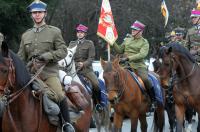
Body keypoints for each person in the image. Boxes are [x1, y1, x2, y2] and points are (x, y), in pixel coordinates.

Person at [17, 0, 72, 131]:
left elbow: (63, 51)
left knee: (59, 95)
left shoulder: (54, 32)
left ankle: (66, 124)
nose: (37, 15)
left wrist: (47, 56)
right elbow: (20, 57)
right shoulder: (26, 35)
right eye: (34, 13)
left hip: (49, 73)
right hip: (30, 74)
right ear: (31, 15)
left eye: (40, 12)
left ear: (45, 14)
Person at [112, 20, 155, 102]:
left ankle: (152, 99)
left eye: (135, 29)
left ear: (141, 31)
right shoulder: (127, 40)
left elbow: (142, 54)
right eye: (132, 29)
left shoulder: (144, 42)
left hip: (138, 66)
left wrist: (128, 58)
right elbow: (119, 50)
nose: (132, 30)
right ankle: (114, 100)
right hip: (124, 65)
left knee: (145, 79)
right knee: (112, 77)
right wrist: (112, 42)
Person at [68, 24, 103, 111]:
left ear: (85, 34)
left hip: (86, 70)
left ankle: (97, 103)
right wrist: (76, 64)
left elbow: (91, 58)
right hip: (74, 70)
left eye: (81, 32)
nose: (79, 34)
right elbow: (69, 57)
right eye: (78, 32)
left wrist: (83, 64)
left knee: (96, 85)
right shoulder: (72, 44)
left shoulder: (89, 44)